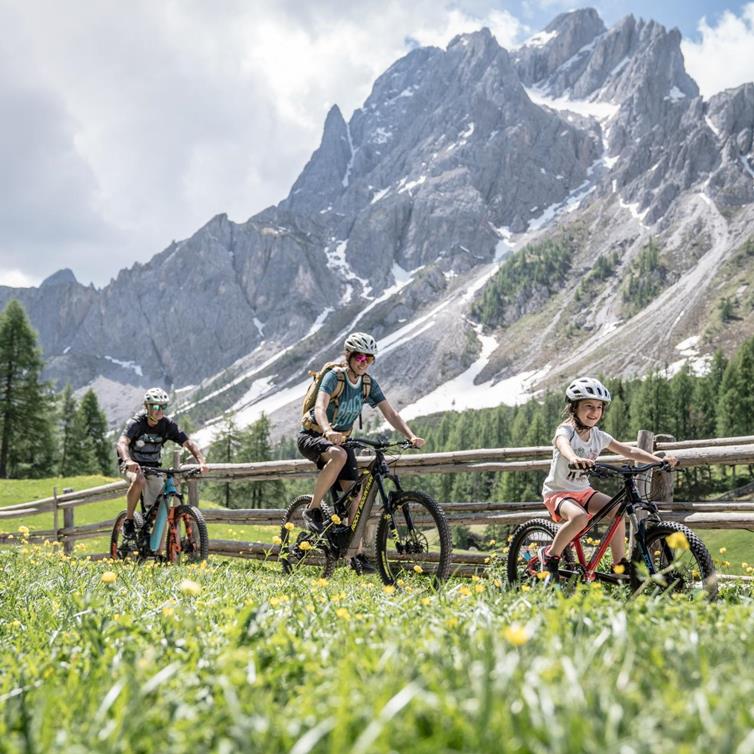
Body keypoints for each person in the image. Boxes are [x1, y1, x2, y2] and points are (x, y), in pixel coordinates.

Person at [297, 332, 425, 573]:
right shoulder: (335, 378)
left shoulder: (367, 384)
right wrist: (327, 431)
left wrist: (410, 435)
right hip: (313, 435)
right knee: (340, 455)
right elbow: (320, 407)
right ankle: (312, 509)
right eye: (359, 357)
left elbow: (391, 413)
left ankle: (357, 556)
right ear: (349, 356)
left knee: (356, 498)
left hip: (341, 441)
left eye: (369, 359)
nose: (363, 362)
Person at [540, 377, 677, 579]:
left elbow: (629, 450)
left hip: (583, 492)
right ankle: (550, 556)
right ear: (574, 408)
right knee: (579, 518)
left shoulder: (599, 436)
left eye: (599, 407)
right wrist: (574, 458)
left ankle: (619, 564)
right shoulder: (566, 431)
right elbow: (563, 444)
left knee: (617, 510)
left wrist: (657, 461)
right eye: (588, 406)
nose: (594, 412)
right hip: (558, 492)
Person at [116, 387, 208, 541]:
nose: (160, 410)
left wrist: (201, 461)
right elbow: (122, 443)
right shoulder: (137, 423)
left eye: (163, 406)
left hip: (153, 467)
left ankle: (159, 553)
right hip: (132, 465)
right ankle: (129, 521)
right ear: (147, 407)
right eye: (156, 406)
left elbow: (188, 443)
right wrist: (128, 461)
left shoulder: (167, 424)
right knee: (139, 479)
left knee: (162, 507)